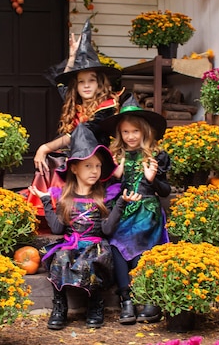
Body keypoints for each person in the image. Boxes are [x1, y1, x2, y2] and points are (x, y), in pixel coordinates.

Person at [28, 124, 141, 330]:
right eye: (88, 166)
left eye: (97, 166)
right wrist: (46, 201)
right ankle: (59, 306)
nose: (94, 171)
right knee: (59, 257)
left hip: (96, 245)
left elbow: (107, 230)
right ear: (74, 168)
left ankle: (95, 304)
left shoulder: (104, 196)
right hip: (72, 244)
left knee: (92, 259)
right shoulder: (64, 198)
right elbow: (57, 230)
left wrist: (122, 204)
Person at [28, 18, 122, 217]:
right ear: (77, 86)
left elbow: (78, 134)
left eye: (91, 81)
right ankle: (48, 211)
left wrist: (44, 147)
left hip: (95, 161)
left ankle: (65, 212)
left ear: (100, 84)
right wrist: (72, 59)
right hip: (77, 157)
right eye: (81, 82)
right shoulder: (76, 103)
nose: (86, 86)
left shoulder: (105, 107)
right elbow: (62, 86)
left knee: (54, 157)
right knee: (48, 164)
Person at [100, 95, 171, 325]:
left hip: (147, 211)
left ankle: (147, 296)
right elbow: (104, 188)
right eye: (125, 132)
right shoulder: (115, 157)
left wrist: (152, 180)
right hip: (122, 208)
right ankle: (126, 299)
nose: (130, 137)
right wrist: (114, 176)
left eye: (135, 132)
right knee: (116, 243)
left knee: (140, 240)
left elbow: (166, 190)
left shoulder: (156, 156)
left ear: (144, 132)